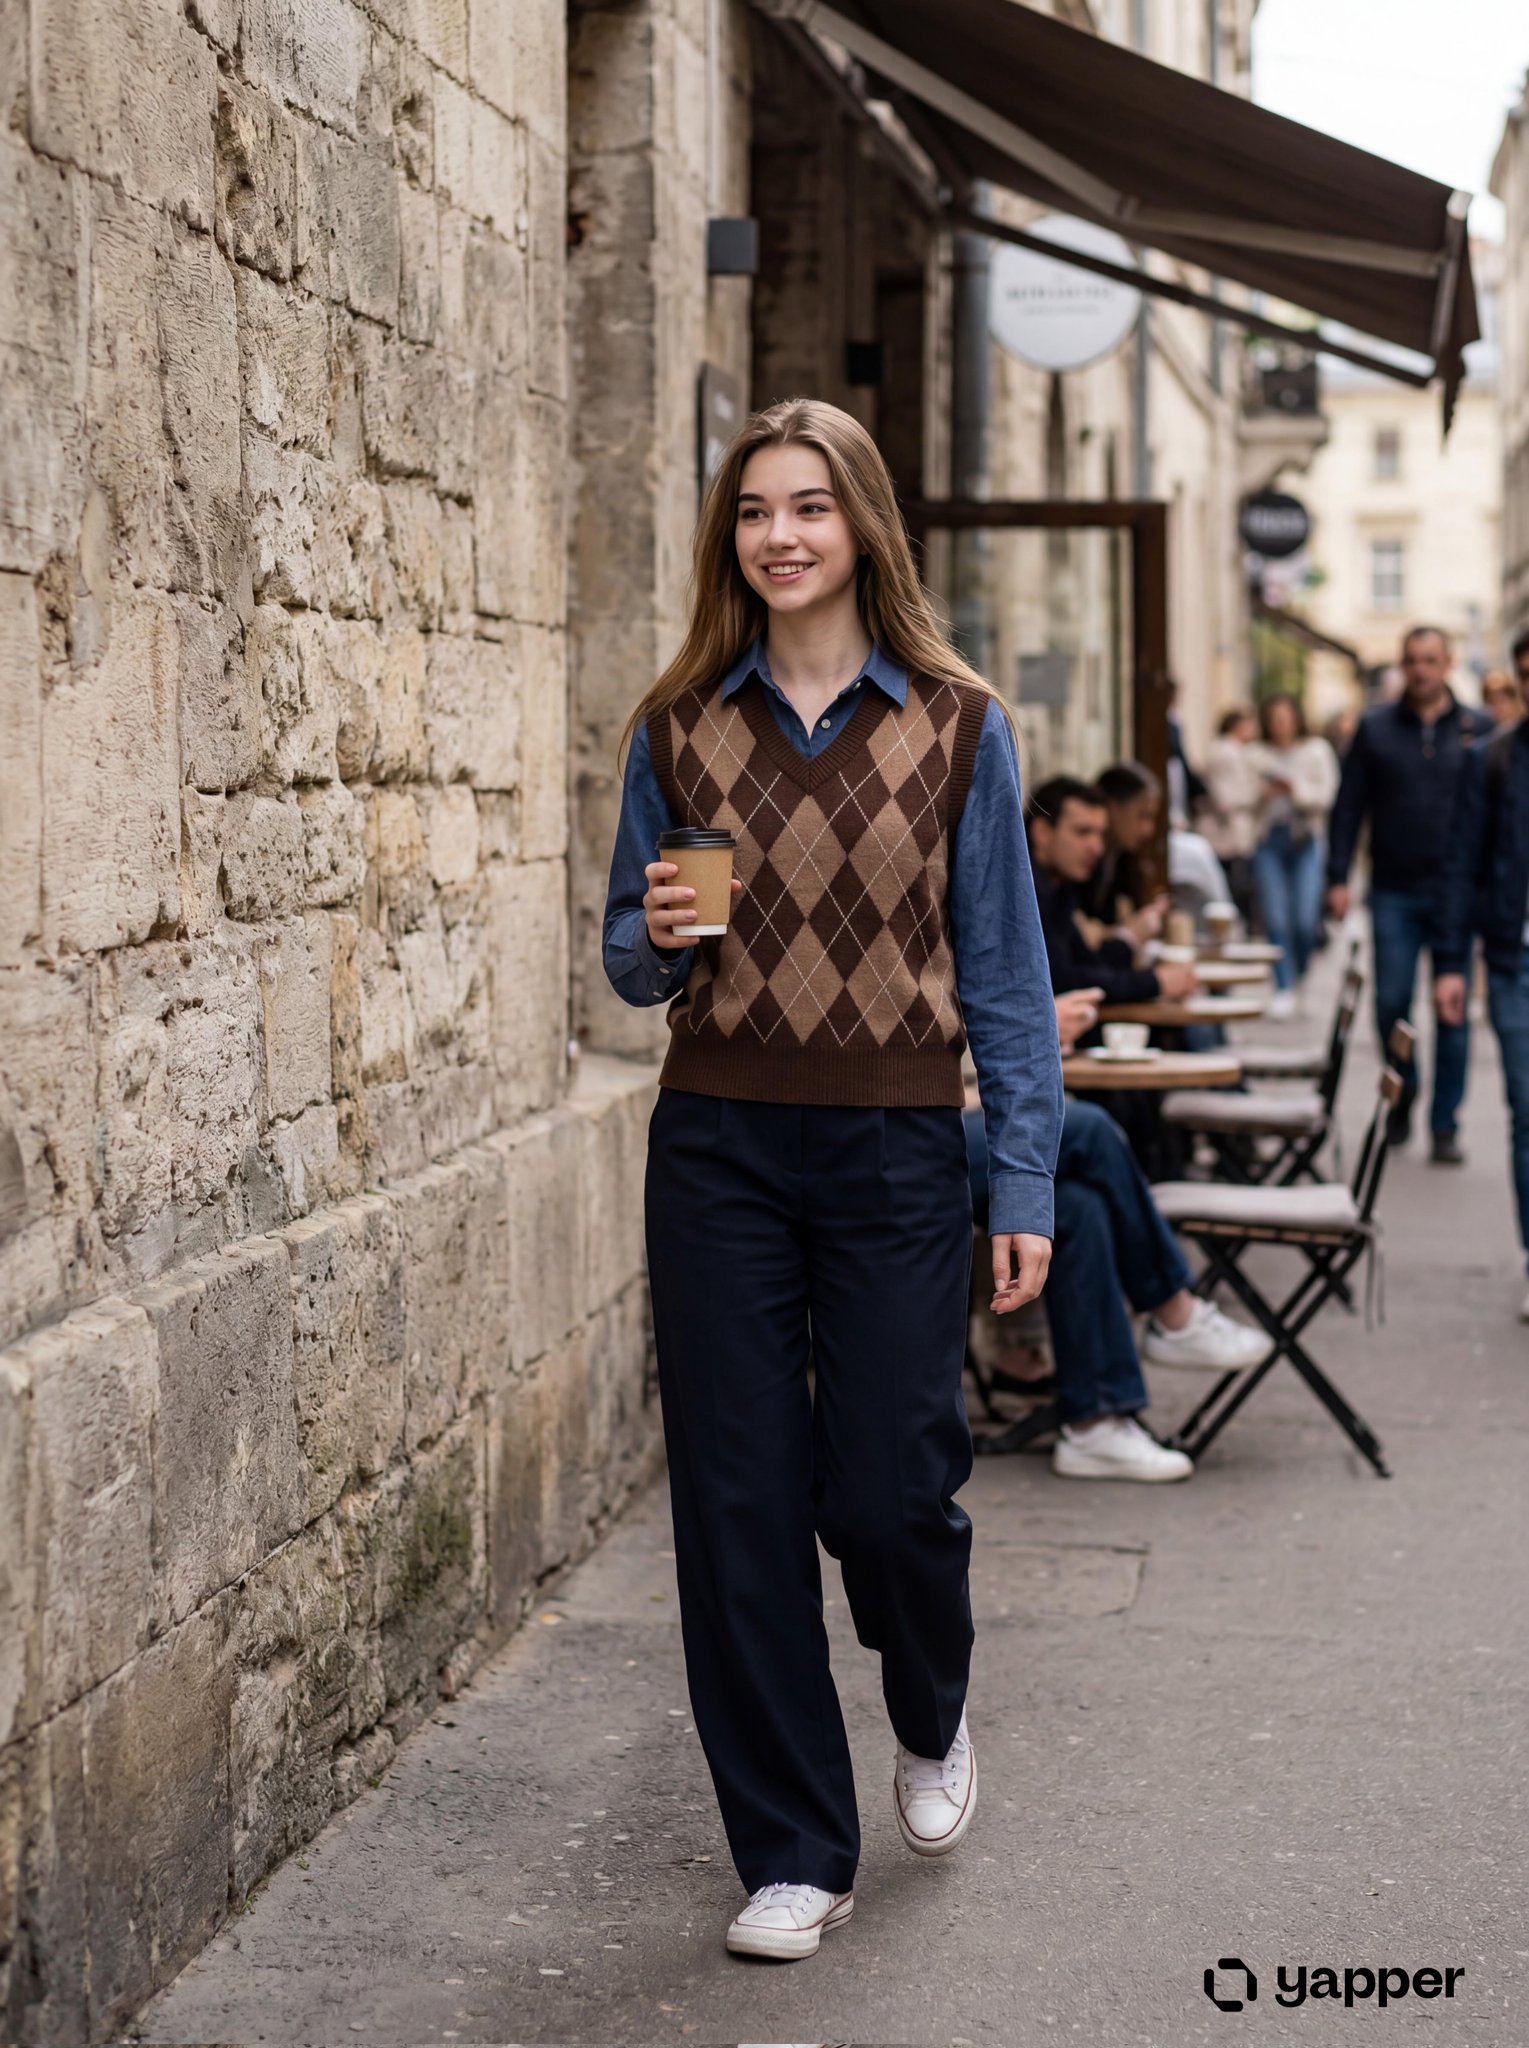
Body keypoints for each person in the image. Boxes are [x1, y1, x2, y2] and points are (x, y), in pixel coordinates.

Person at [602, 398, 1063, 1963]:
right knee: (736, 1507)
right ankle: (795, 1848)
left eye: (808, 506)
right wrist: (654, 935)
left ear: (862, 523)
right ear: (728, 539)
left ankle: (931, 1709)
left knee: (888, 1488)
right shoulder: (677, 723)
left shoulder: (958, 724)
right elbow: (624, 955)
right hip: (719, 1143)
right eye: (752, 513)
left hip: (894, 1148)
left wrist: (1024, 1185)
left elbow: (1004, 976)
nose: (779, 536)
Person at [964, 991, 1271, 1482]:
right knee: (1089, 1128)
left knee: (1078, 1205)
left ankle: (1095, 1425)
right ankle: (1175, 1312)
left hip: (967, 1112)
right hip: (914, 1133)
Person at [1327, 625, 1493, 1161]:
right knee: (1392, 1004)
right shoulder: (1376, 729)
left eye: (1430, 660)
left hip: (1457, 892)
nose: (1420, 670)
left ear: (1447, 665)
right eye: (1412, 661)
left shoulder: (1478, 729)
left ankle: (1445, 1122)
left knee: (1452, 1009)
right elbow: (1349, 805)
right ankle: (1405, 1096)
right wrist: (1336, 876)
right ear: (1402, 666)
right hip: (1394, 889)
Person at [1436, 708, 1529, 1317]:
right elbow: (1464, 861)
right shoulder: (1494, 759)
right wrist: (1450, 960)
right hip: (1512, 959)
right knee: (1528, 1106)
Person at [1026, 777, 1198, 1006]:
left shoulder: (1060, 887)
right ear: (1042, 833)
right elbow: (1062, 980)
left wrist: (1129, 942)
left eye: (1099, 834)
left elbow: (1090, 966)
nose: (1097, 847)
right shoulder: (1024, 893)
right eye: (1083, 832)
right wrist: (1154, 980)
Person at [1249, 692, 1339, 1021]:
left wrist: (1295, 789)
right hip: (1269, 839)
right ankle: (1283, 985)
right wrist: (1261, 793)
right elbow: (1237, 798)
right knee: (1275, 918)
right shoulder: (1256, 754)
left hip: (1305, 839)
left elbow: (1327, 794)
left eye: (1285, 719)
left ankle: (1299, 974)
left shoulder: (1315, 750)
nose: (1280, 726)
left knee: (1304, 919)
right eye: (1273, 720)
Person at [1085, 760, 1166, 933]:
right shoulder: (1082, 859)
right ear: (1112, 808)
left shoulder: (1123, 859)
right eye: (1143, 816)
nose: (1149, 830)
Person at [1201, 706, 1261, 932]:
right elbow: (1225, 798)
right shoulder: (1225, 752)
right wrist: (1258, 793)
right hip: (1225, 837)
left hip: (1233, 837)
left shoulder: (1236, 752)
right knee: (1230, 894)